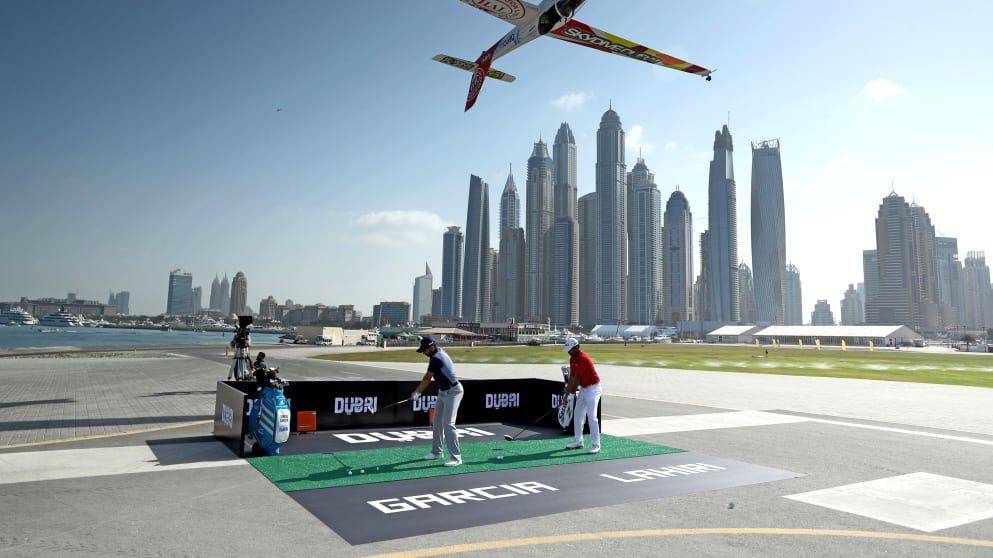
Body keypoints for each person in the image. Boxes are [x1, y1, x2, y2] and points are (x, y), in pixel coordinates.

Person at [411, 335, 463, 467]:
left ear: (432, 347)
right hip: (443, 392)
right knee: (437, 421)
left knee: (448, 423)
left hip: (453, 391)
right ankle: (437, 452)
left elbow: (427, 378)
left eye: (425, 350)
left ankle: (456, 458)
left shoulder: (436, 359)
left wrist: (417, 393)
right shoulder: (438, 352)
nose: (423, 352)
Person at [562, 337, 602, 454]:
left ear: (576, 348)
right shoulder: (572, 359)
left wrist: (571, 395)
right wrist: (566, 395)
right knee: (578, 414)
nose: (568, 352)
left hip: (593, 389)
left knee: (591, 416)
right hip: (584, 389)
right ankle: (578, 441)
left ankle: (596, 445)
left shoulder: (583, 359)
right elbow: (572, 379)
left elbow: (577, 380)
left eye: (570, 349)